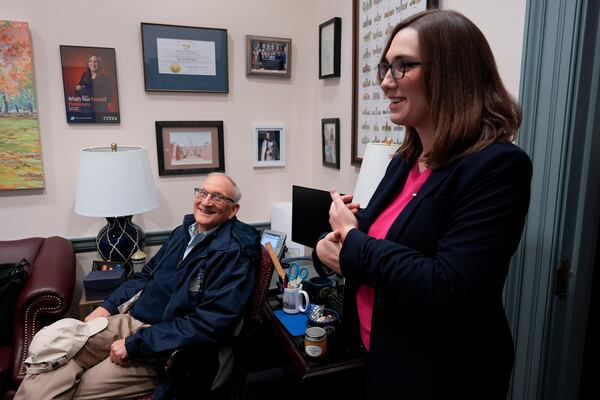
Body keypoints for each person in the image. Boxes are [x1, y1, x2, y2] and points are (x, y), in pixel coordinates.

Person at [314, 9, 532, 399]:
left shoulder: (497, 166)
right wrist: (328, 246)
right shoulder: (405, 161)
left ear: (453, 71)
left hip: (442, 374)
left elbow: (449, 286)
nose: (385, 82)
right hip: (379, 353)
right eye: (385, 67)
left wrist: (352, 239)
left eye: (403, 67)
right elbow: (380, 242)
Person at [15, 173, 261, 400]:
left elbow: (210, 323)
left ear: (233, 210)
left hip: (163, 344)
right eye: (202, 192)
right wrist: (107, 307)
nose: (206, 202)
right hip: (130, 320)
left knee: (79, 387)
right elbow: (146, 276)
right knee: (51, 353)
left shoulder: (235, 252)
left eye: (217, 197)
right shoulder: (182, 233)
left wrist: (135, 344)